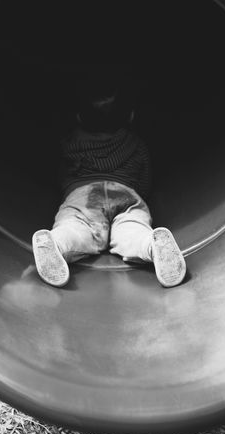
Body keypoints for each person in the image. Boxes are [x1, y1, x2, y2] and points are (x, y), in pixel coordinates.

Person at [31, 81, 186, 288]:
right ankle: (152, 245)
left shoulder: (70, 144)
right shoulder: (134, 143)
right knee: (131, 232)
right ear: (130, 116)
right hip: (125, 193)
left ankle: (57, 243)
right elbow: (145, 178)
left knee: (77, 229)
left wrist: (67, 189)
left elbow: (60, 175)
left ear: (78, 117)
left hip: (84, 195)